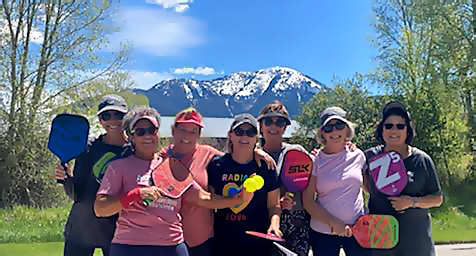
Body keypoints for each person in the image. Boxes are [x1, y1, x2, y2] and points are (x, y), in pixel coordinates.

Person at [94, 107, 246, 256]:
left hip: (171, 246)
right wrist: (134, 195)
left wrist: (237, 199)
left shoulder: (171, 165)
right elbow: (100, 209)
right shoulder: (118, 167)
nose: (147, 136)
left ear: (158, 133)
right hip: (129, 245)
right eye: (140, 132)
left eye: (151, 130)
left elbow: (203, 198)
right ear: (131, 137)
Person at [158, 107, 277, 256]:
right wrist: (239, 199)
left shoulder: (208, 155)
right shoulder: (161, 158)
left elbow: (239, 156)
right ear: (173, 131)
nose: (187, 135)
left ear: (199, 134)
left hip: (202, 241)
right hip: (169, 240)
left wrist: (256, 151)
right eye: (182, 129)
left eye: (193, 131)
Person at [363, 101, 443, 256]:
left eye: (400, 126)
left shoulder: (421, 160)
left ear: (408, 130)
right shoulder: (369, 157)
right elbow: (361, 181)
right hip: (381, 240)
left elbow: (437, 198)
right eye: (389, 125)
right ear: (382, 129)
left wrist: (412, 202)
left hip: (416, 241)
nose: (394, 130)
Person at [55, 95, 130, 256]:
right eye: (106, 116)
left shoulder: (133, 153)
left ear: (127, 118)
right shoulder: (87, 149)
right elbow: (77, 194)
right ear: (100, 120)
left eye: (118, 115)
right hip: (81, 230)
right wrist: (66, 179)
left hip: (118, 233)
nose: (112, 121)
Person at [207, 114, 282, 256]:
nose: (245, 137)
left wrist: (274, 225)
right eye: (239, 132)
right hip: (224, 242)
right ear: (230, 136)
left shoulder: (266, 168)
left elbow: (274, 206)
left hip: (258, 243)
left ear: (256, 138)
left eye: (250, 133)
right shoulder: (217, 166)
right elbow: (210, 202)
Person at [303, 107, 370, 256]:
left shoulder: (358, 155)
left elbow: (368, 188)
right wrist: (334, 223)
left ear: (347, 130)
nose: (334, 132)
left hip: (357, 229)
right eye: (328, 128)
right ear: (322, 133)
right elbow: (308, 201)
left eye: (339, 126)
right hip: (323, 232)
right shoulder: (314, 160)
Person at [256, 100, 311, 256]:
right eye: (268, 121)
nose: (273, 126)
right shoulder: (253, 156)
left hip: (296, 225)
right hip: (265, 223)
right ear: (261, 126)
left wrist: (347, 145)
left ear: (285, 127)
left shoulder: (298, 152)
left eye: (279, 122)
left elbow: (313, 178)